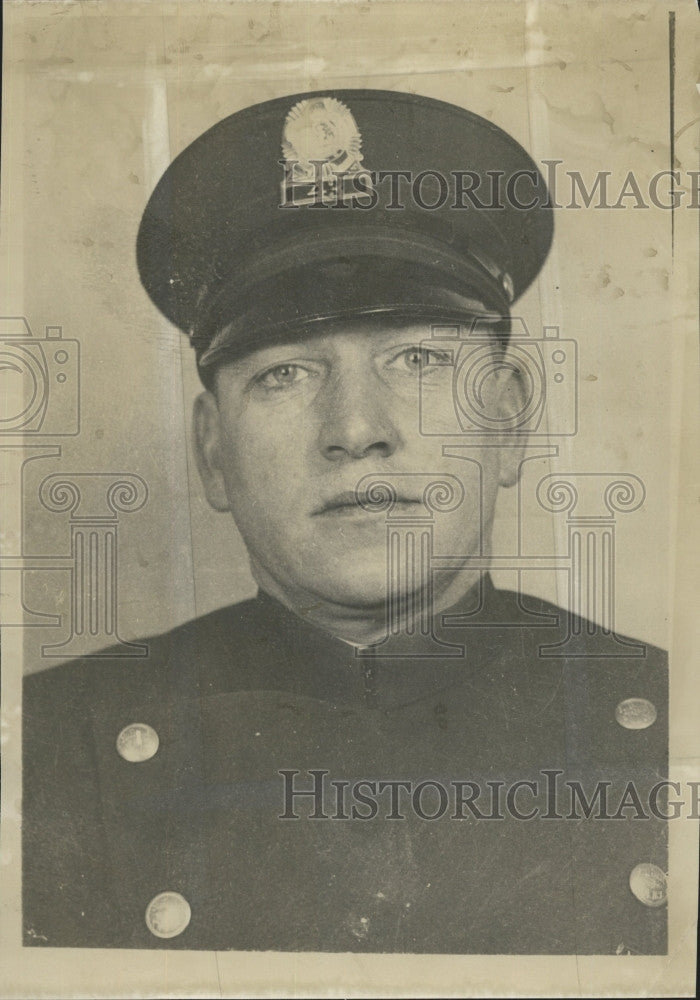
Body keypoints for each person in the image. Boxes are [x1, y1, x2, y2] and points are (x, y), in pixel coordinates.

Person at [23, 89, 667, 954]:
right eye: (285, 374)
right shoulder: (49, 751)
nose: (358, 431)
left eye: (421, 357)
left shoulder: (667, 719)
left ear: (510, 420)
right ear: (213, 453)